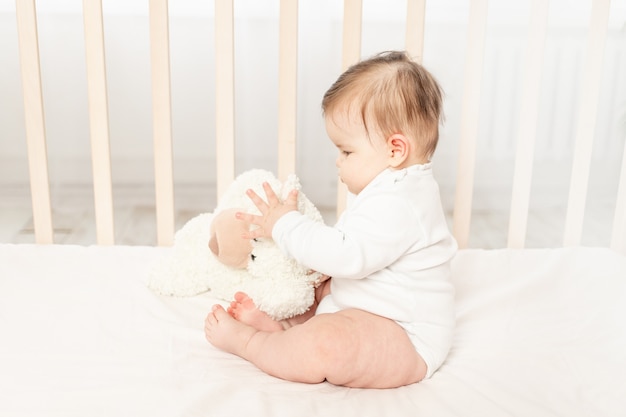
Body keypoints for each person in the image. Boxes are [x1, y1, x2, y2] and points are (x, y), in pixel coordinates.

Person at [204, 50, 457, 389]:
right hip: (367, 309)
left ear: (395, 150)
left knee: (328, 344)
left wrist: (284, 224)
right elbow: (360, 253)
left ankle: (253, 343)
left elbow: (347, 254)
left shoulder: (402, 202)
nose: (338, 162)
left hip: (406, 337)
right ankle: (286, 331)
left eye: (346, 152)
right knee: (319, 289)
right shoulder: (394, 187)